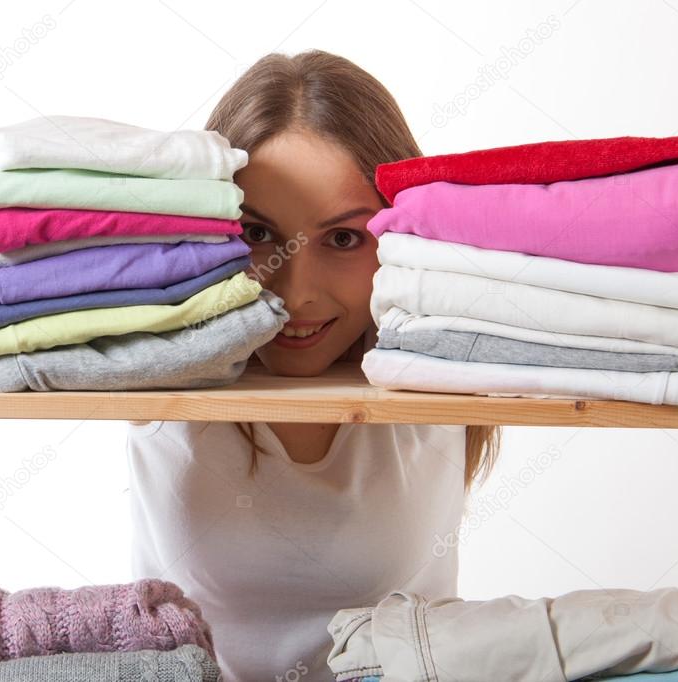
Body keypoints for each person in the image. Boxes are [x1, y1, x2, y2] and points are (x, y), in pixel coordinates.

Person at [127, 50, 501, 681]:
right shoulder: (153, 364)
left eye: (344, 238)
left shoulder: (442, 369)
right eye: (257, 234)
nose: (295, 294)